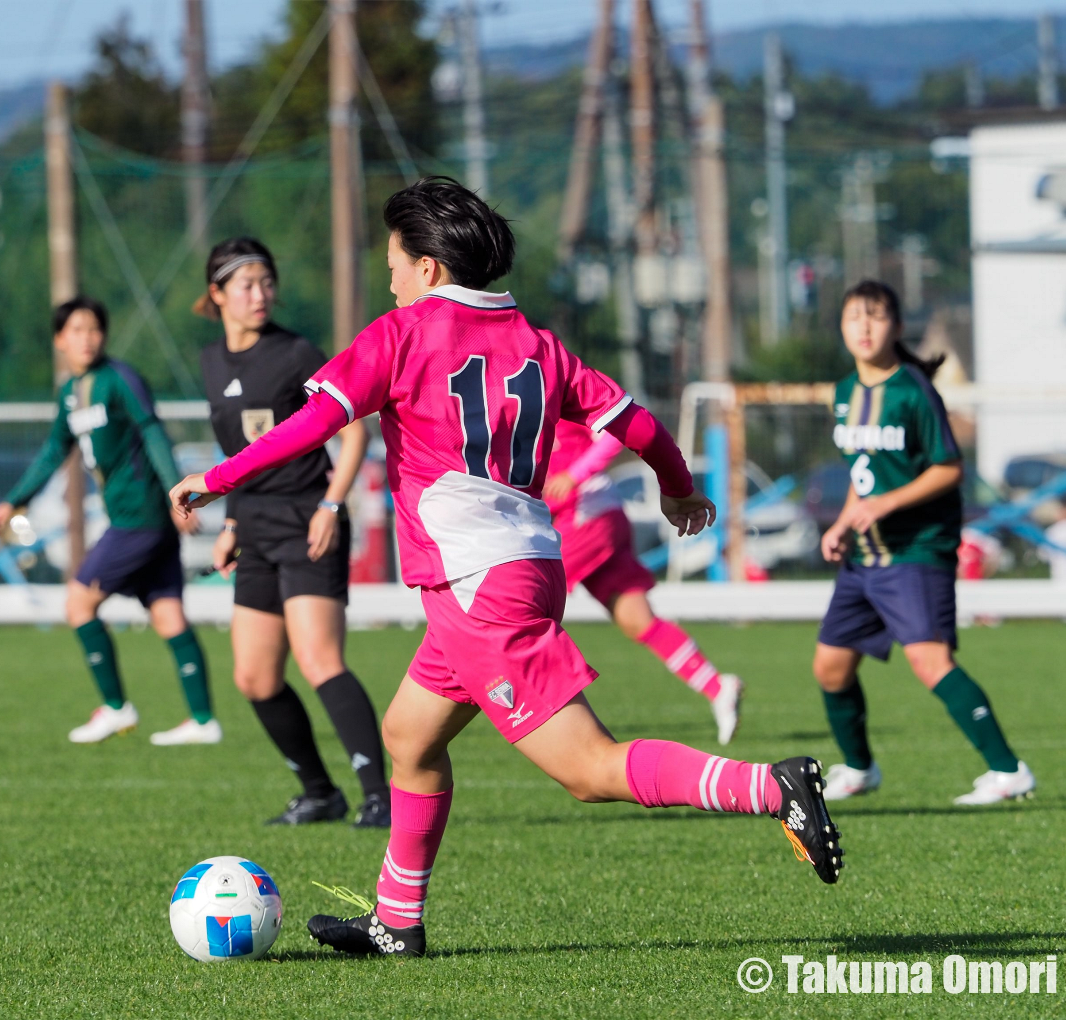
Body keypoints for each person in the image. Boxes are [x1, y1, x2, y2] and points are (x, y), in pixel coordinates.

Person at [171, 178, 844, 958]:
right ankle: (396, 921)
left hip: (475, 583)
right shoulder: (537, 341)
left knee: (590, 770)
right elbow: (640, 424)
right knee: (410, 736)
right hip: (522, 564)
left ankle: (774, 786)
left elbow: (312, 423)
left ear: (426, 267)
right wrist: (678, 489)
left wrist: (214, 480)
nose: (387, 275)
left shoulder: (401, 334)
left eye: (393, 259)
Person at [195, 237, 390, 828]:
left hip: (309, 520)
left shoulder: (297, 352)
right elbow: (241, 453)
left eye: (266, 282)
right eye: (246, 285)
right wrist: (230, 522)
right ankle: (319, 793)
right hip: (253, 527)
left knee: (319, 659)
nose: (261, 295)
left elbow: (354, 431)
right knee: (253, 677)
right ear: (218, 295)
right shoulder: (209, 362)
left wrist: (332, 506)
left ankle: (379, 796)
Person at [813, 280, 1033, 806]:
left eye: (876, 316)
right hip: (865, 558)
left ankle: (1009, 771)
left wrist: (884, 505)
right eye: (853, 318)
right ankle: (861, 769)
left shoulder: (914, 390)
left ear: (897, 325)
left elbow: (949, 468)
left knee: (931, 662)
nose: (864, 327)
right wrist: (843, 523)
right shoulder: (844, 393)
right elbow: (861, 476)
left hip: (916, 552)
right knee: (830, 666)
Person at [0, 296, 218, 745]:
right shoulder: (71, 393)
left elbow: (152, 430)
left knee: (78, 603)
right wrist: (15, 501)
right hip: (133, 518)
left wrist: (177, 492)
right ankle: (203, 720)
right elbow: (56, 449)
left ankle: (115, 708)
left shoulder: (120, 379)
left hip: (140, 517)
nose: (86, 338)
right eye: (76, 330)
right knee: (168, 614)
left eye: (93, 329)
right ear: (59, 340)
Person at [544, 420, 744, 744]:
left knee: (521, 607)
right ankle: (717, 687)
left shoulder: (556, 383)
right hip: (595, 518)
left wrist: (574, 475)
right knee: (637, 620)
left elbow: (613, 433)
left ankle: (535, 707)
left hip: (586, 515)